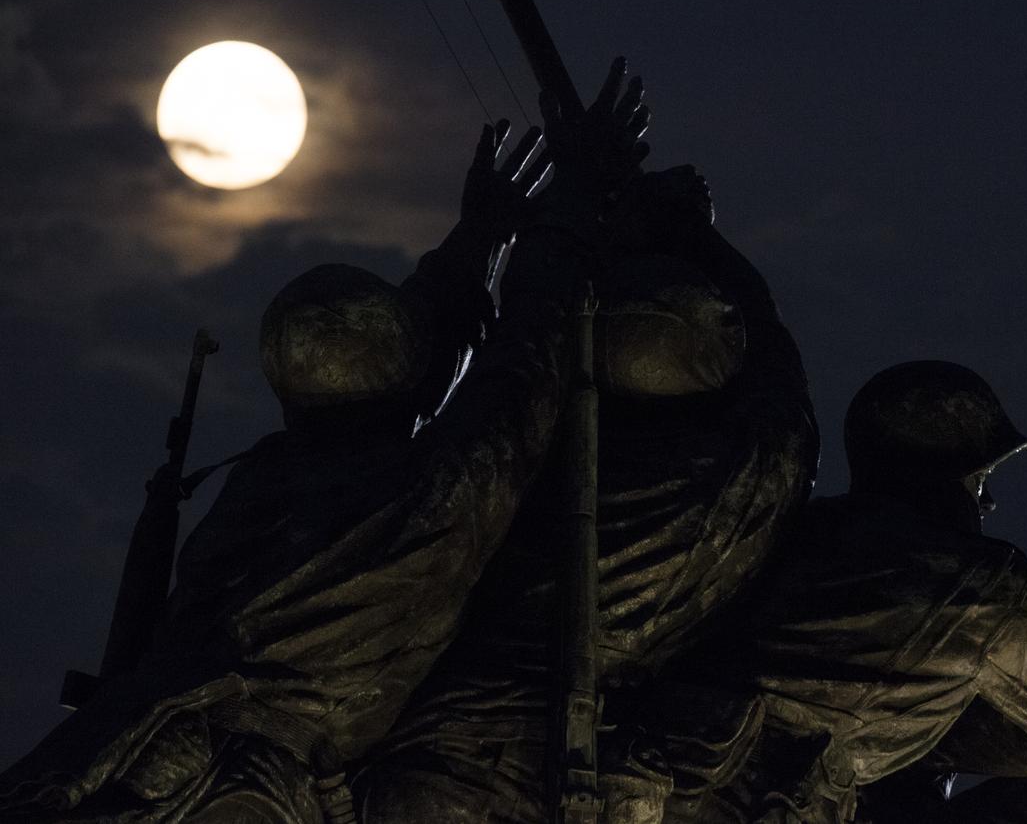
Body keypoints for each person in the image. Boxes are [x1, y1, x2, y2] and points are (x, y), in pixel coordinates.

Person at [0, 58, 647, 824]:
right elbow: (524, 371)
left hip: (153, 757)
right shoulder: (429, 493)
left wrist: (479, 235)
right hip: (250, 794)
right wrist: (566, 203)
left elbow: (405, 363)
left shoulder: (264, 483)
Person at [353, 142, 819, 821]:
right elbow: (776, 363)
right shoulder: (744, 472)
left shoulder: (519, 464)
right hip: (558, 766)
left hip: (428, 755)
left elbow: (522, 353)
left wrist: (560, 233)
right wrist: (696, 235)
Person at [655, 361, 1027, 823]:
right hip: (782, 802)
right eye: (979, 481)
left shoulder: (790, 529)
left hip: (685, 773)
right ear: (947, 479)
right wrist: (951, 720)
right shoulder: (988, 586)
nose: (985, 505)